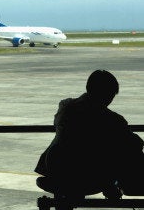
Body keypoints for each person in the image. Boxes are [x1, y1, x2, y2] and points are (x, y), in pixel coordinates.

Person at [35, 69, 144, 198]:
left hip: (56, 171)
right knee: (127, 150)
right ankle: (131, 186)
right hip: (88, 178)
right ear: (108, 94)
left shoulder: (65, 108)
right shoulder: (112, 120)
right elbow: (135, 144)